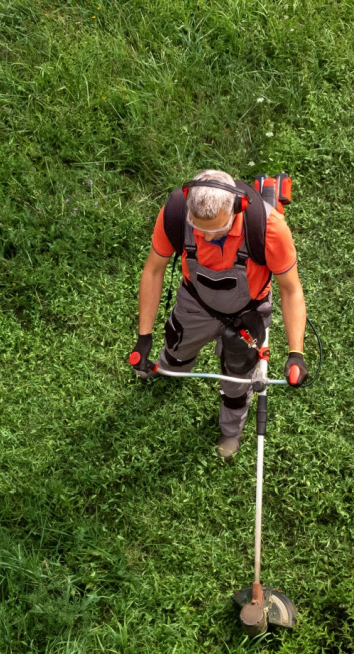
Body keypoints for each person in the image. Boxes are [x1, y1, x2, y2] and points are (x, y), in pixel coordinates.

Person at [129, 169, 309, 460]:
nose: (207, 237)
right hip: (195, 302)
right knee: (176, 345)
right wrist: (144, 336)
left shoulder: (268, 227)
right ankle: (169, 369)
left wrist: (296, 353)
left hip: (248, 312)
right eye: (199, 229)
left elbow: (291, 291)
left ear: (238, 208)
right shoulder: (175, 211)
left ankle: (230, 431)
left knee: (238, 377)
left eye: (217, 230)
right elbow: (153, 269)